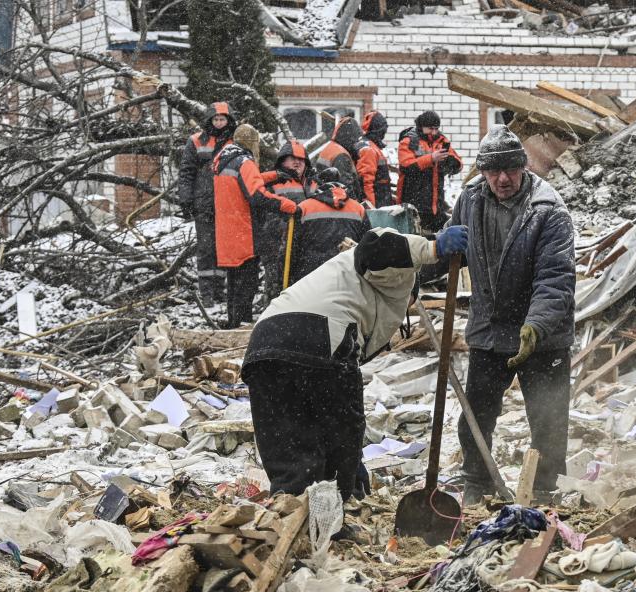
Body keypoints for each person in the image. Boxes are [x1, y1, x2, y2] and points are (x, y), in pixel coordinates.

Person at [242, 227, 468, 500]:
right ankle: (331, 513)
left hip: (264, 346)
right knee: (341, 430)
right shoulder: (398, 276)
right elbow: (374, 248)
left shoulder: (338, 280)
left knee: (288, 445)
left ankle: (290, 511)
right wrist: (433, 249)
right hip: (320, 337)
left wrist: (352, 459)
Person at [448, 126, 575, 506]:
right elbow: (451, 247)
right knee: (476, 413)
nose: (502, 179)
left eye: (510, 170)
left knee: (548, 416)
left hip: (542, 332)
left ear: (523, 167)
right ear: (483, 171)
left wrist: (535, 327)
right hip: (489, 329)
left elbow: (555, 279)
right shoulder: (470, 199)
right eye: (493, 171)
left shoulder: (548, 210)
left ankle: (544, 488)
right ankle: (477, 481)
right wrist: (427, 257)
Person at [212, 124, 299, 329]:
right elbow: (257, 196)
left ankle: (234, 324)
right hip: (244, 234)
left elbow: (246, 181)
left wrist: (276, 175)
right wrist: (287, 205)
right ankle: (242, 328)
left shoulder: (224, 160)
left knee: (234, 285)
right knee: (246, 285)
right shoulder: (245, 161)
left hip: (227, 234)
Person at [176, 101, 234, 304]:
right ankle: (207, 293)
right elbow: (186, 172)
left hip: (228, 204)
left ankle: (220, 291)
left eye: (222, 119)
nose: (219, 123)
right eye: (216, 119)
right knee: (206, 248)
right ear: (209, 120)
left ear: (228, 121)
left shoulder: (234, 142)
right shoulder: (196, 141)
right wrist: (185, 199)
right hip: (204, 203)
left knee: (223, 248)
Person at [289, 167, 372, 282]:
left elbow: (291, 250)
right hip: (348, 275)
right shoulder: (358, 209)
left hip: (310, 277)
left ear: (319, 185)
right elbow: (367, 247)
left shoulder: (304, 207)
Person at [256, 140, 313, 300]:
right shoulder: (273, 182)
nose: (297, 162)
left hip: (304, 245)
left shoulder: (313, 182)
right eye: (292, 158)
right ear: (282, 160)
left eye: (301, 159)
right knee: (276, 287)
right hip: (275, 244)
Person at [396, 110, 463, 232]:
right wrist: (431, 158)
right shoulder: (409, 141)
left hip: (436, 204)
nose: (434, 132)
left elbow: (458, 163)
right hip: (413, 200)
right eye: (430, 129)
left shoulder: (442, 141)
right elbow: (406, 166)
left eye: (436, 128)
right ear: (421, 127)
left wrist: (452, 163)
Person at [314, 116, 363, 197]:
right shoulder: (342, 155)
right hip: (337, 200)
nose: (356, 143)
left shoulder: (330, 147)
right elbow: (346, 186)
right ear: (350, 138)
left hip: (325, 195)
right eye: (356, 139)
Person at [357, 111, 393, 208]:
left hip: (380, 199)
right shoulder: (369, 149)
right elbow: (366, 181)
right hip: (377, 202)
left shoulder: (370, 145)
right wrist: (370, 206)